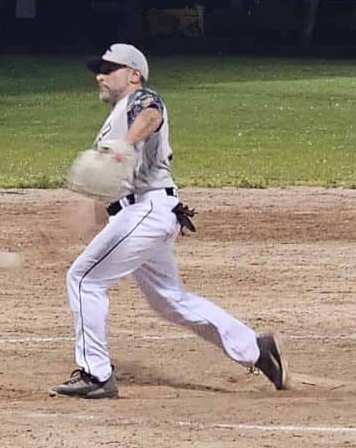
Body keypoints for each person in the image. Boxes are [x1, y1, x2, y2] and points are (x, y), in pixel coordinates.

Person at [51, 43, 288, 399]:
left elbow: (152, 115)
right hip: (147, 212)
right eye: (98, 70)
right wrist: (84, 217)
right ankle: (255, 348)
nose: (100, 76)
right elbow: (118, 183)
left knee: (84, 279)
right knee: (170, 300)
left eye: (108, 68)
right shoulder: (115, 116)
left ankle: (96, 374)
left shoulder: (141, 99)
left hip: (146, 212)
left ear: (134, 74)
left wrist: (125, 145)